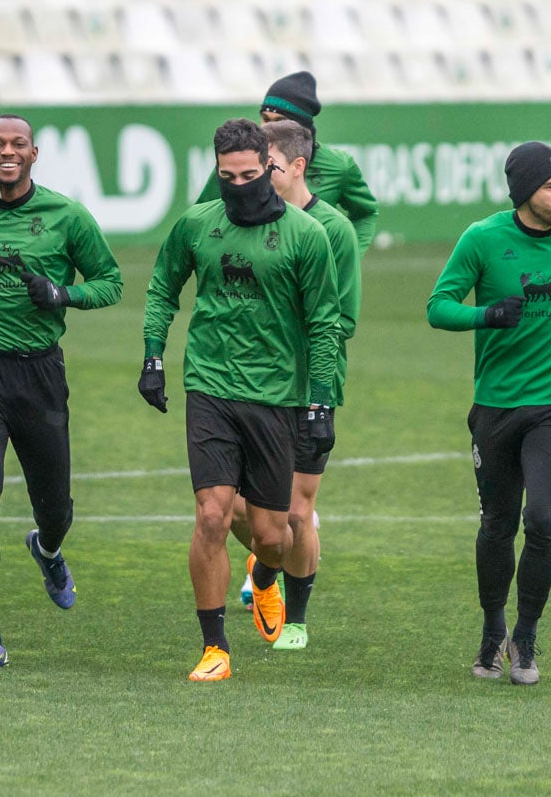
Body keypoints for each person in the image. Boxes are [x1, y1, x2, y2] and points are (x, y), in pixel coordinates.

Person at [140, 118, 338, 681]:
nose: (238, 185)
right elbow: (161, 288)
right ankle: (214, 648)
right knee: (210, 515)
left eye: (249, 175)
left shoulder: (306, 235)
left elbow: (324, 323)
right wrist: (154, 357)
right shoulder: (196, 225)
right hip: (209, 386)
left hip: (277, 396)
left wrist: (320, 404)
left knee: (274, 537)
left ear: (270, 169)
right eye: (226, 176)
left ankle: (268, 576)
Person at [0, 114, 123, 670]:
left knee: (55, 508)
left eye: (17, 144)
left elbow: (110, 282)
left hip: (39, 376)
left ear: (34, 153)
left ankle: (48, 547)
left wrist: (62, 293)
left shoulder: (67, 216)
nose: (7, 151)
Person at [427, 142, 551, 685]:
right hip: (495, 407)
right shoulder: (483, 240)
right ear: (524, 195)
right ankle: (493, 629)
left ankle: (527, 636)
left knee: (542, 521)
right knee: (497, 523)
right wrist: (486, 314)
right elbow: (437, 307)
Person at [228, 119, 360, 650]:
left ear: (297, 167)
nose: (258, 179)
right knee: (232, 506)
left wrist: (280, 332)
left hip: (308, 387)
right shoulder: (248, 221)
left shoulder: (334, 231)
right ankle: (267, 566)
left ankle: (297, 619)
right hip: (247, 385)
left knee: (298, 513)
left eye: (270, 168)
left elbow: (342, 320)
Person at [197, 71, 378, 256]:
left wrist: (347, 256)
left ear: (302, 126)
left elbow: (366, 213)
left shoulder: (339, 166)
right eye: (265, 119)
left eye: (279, 121)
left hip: (311, 271)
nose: (268, 128)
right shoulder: (241, 162)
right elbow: (202, 216)